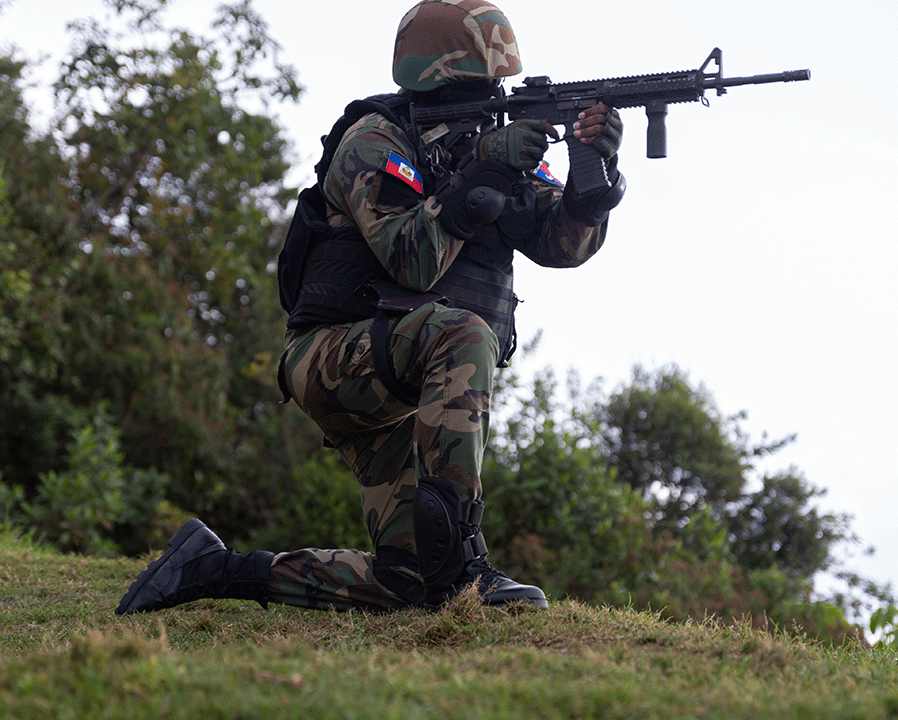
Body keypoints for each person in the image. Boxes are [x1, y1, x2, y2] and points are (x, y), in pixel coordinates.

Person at [116, 0, 625, 616]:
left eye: (498, 84)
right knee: (464, 335)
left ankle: (214, 567)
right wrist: (483, 170)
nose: (493, 96)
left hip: (406, 375)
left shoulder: (488, 145)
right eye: (478, 86)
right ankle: (467, 566)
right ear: (437, 82)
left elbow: (561, 246)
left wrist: (592, 177)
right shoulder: (376, 140)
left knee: (412, 582)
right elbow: (412, 262)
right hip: (333, 358)